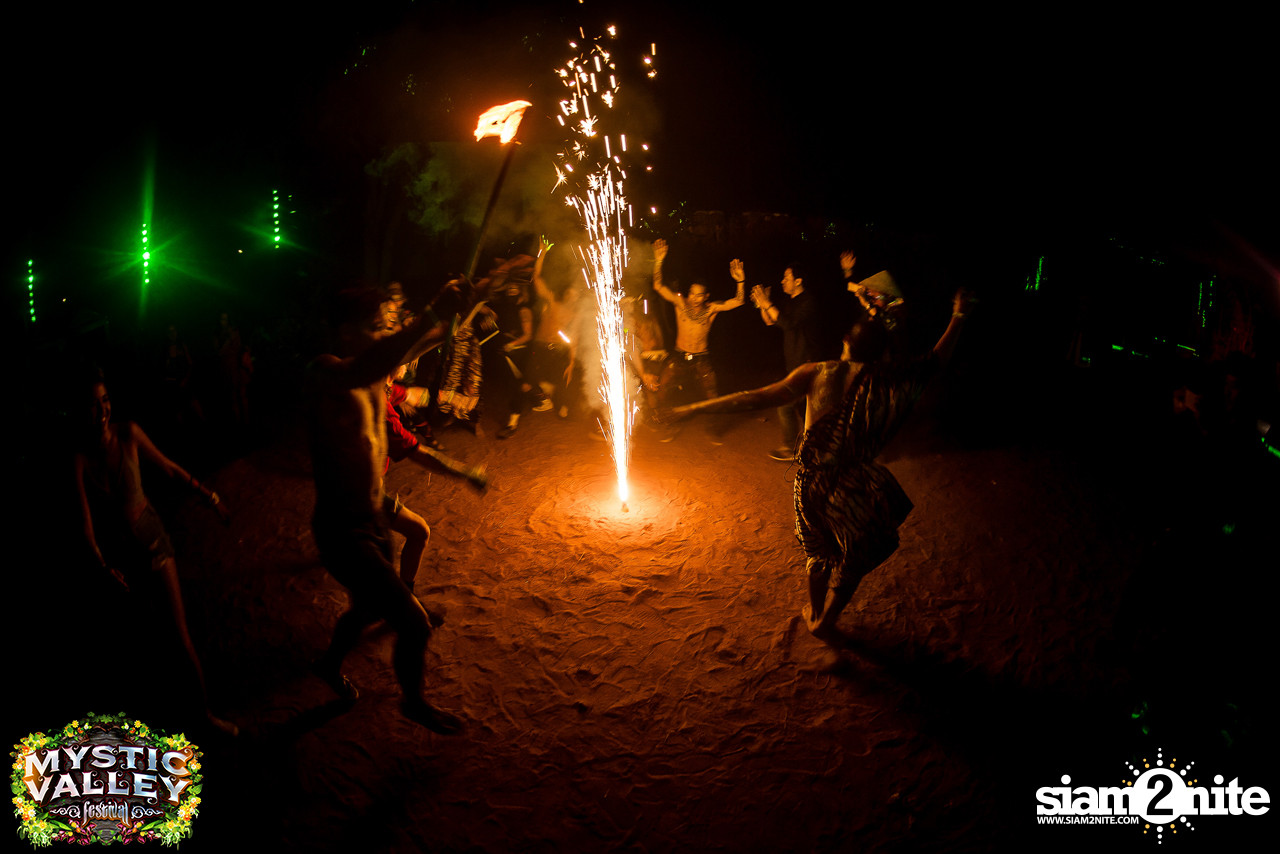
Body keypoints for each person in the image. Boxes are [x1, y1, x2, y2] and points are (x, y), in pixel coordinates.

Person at [667, 289, 973, 642]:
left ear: (845, 341)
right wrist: (959, 315)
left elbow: (755, 397)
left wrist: (691, 409)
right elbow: (937, 359)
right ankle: (826, 618)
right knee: (857, 553)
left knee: (817, 551)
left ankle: (814, 611)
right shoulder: (888, 379)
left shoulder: (817, 372)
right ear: (881, 352)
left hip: (811, 483)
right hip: (855, 486)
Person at [306, 288, 464, 733]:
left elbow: (412, 346)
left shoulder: (372, 376)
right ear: (345, 332)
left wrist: (459, 312)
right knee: (413, 625)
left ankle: (328, 664)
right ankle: (413, 702)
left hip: (374, 516)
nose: (384, 333)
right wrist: (432, 308)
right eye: (375, 325)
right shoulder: (324, 373)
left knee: (365, 608)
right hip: (342, 530)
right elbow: (378, 359)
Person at [74, 372, 237, 735]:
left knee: (178, 633)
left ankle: (205, 716)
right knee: (146, 640)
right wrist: (103, 567)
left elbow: (167, 467)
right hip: (122, 559)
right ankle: (164, 714)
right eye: (92, 404)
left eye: (105, 400)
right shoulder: (80, 461)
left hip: (152, 541)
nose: (101, 410)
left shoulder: (128, 433)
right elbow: (84, 525)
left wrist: (209, 497)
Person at [651, 239, 746, 407]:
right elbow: (658, 286)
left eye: (699, 295)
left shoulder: (711, 309)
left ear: (706, 296)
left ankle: (714, 424)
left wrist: (740, 281)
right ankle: (661, 419)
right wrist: (658, 261)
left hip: (701, 358)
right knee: (663, 386)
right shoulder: (680, 304)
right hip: (679, 355)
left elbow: (739, 301)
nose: (695, 298)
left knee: (712, 393)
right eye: (692, 294)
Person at [750, 263, 824, 462]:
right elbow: (771, 321)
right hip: (794, 362)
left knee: (785, 404)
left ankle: (791, 447)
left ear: (798, 281)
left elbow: (788, 323)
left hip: (807, 362)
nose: (782, 281)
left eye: (786, 278)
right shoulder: (790, 301)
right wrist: (761, 304)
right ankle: (817, 447)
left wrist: (767, 303)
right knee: (805, 409)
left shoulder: (809, 302)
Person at [528, 236, 582, 419]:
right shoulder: (553, 303)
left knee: (562, 378)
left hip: (557, 350)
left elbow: (574, 337)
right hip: (540, 346)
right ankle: (544, 396)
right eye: (570, 294)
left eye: (576, 296)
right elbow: (536, 278)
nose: (572, 297)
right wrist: (542, 252)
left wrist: (572, 361)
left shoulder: (575, 315)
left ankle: (559, 403)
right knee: (528, 378)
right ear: (565, 294)